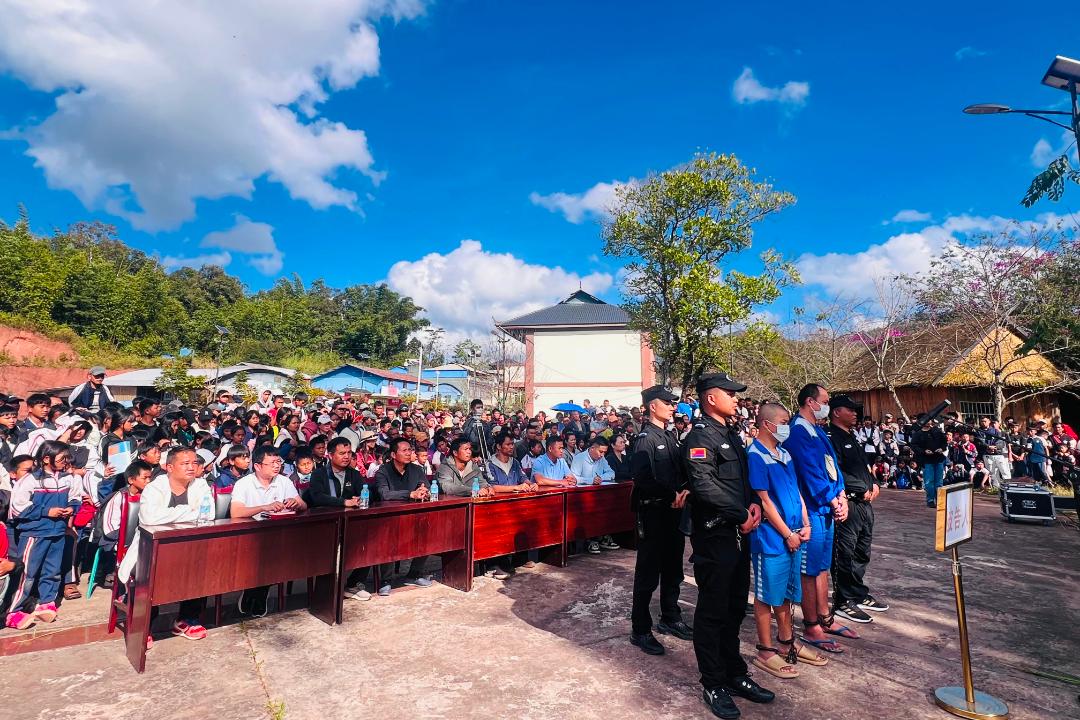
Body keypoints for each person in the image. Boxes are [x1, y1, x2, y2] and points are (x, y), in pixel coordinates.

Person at [683, 373, 773, 718]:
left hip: (739, 531)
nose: (736, 399)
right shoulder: (699, 436)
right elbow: (703, 484)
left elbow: (744, 480)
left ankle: (734, 673)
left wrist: (753, 504)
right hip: (716, 534)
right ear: (711, 398)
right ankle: (713, 682)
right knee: (713, 610)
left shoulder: (730, 434)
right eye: (730, 394)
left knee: (735, 607)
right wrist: (740, 513)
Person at [747, 403, 826, 680]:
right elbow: (765, 501)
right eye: (782, 422)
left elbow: (797, 492)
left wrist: (805, 524)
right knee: (766, 595)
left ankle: (786, 641)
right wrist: (787, 534)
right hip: (772, 539)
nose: (786, 427)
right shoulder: (755, 455)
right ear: (766, 424)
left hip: (795, 533)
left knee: (786, 594)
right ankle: (765, 650)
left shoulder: (784, 453)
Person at [783, 383, 852, 654]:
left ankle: (825, 616)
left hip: (827, 506)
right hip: (812, 509)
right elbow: (810, 473)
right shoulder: (797, 431)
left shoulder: (817, 430)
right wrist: (833, 500)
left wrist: (841, 495)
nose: (827, 406)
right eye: (824, 401)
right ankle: (811, 624)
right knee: (809, 570)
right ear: (811, 402)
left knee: (822, 567)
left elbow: (832, 465)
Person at [117, 447, 213, 639]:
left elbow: (208, 514)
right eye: (185, 463)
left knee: (201, 568)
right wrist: (189, 511)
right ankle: (146, 625)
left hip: (188, 547)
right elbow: (150, 518)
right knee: (152, 573)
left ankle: (186, 619)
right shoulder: (154, 487)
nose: (191, 467)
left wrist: (170, 515)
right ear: (169, 467)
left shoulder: (201, 485)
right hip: (151, 550)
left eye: (194, 463)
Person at [626, 385, 692, 655]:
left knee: (673, 569)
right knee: (648, 573)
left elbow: (679, 471)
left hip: (673, 511)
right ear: (653, 406)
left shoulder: (670, 435)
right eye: (667, 402)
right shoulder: (646, 438)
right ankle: (640, 629)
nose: (672, 407)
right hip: (653, 513)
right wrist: (671, 494)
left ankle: (670, 616)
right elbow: (643, 478)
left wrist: (684, 490)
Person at [827, 395, 888, 626]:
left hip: (865, 504)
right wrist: (860, 488)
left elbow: (864, 466)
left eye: (856, 410)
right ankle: (842, 600)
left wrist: (874, 483)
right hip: (849, 502)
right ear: (836, 412)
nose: (855, 413)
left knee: (862, 551)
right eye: (850, 409)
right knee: (845, 552)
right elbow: (835, 471)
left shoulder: (852, 436)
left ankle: (857, 593)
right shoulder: (831, 437)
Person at [6, 440, 81, 629]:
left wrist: (71, 508)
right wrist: (47, 511)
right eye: (62, 458)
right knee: (27, 574)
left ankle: (46, 603)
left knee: (52, 571)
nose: (66, 461)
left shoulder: (68, 478)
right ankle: (12, 611)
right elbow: (18, 507)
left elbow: (76, 497)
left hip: (57, 532)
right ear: (47, 458)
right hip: (35, 533)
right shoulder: (31, 480)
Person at [230, 445, 308, 617]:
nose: (277, 466)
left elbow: (303, 505)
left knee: (276, 552)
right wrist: (264, 507)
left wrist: (296, 503)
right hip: (250, 536)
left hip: (278, 535)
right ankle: (255, 592)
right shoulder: (244, 483)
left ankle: (258, 593)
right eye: (272, 463)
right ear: (258, 466)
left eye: (278, 462)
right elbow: (235, 512)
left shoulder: (284, 481)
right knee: (265, 554)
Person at [372, 438, 433, 595]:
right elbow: (384, 494)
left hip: (414, 515)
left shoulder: (416, 469)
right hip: (389, 517)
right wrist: (410, 494)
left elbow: (425, 487)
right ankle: (386, 580)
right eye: (404, 450)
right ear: (393, 454)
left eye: (409, 450)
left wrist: (424, 491)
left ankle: (414, 574)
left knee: (428, 533)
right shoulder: (383, 471)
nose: (408, 453)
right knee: (388, 539)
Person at [571, 436, 619, 554]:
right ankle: (590, 539)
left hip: (599, 495)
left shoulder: (602, 459)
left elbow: (611, 473)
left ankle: (602, 536)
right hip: (582, 497)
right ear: (592, 448)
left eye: (604, 452)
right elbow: (573, 478)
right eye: (600, 451)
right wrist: (590, 480)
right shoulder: (579, 458)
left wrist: (600, 478)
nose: (602, 455)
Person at [307, 437, 364, 509]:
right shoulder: (318, 474)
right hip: (326, 514)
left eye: (349, 452)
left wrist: (361, 498)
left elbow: (367, 490)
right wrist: (344, 502)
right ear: (331, 455)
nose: (347, 456)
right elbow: (317, 497)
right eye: (342, 453)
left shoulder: (354, 473)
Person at [911, 417, 947, 507]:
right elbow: (914, 446)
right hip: (926, 460)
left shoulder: (936, 431)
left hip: (938, 459)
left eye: (929, 420)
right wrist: (924, 451)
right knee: (929, 481)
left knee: (939, 482)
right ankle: (930, 500)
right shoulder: (918, 434)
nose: (928, 422)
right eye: (926, 420)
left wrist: (942, 448)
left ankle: (939, 500)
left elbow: (944, 442)